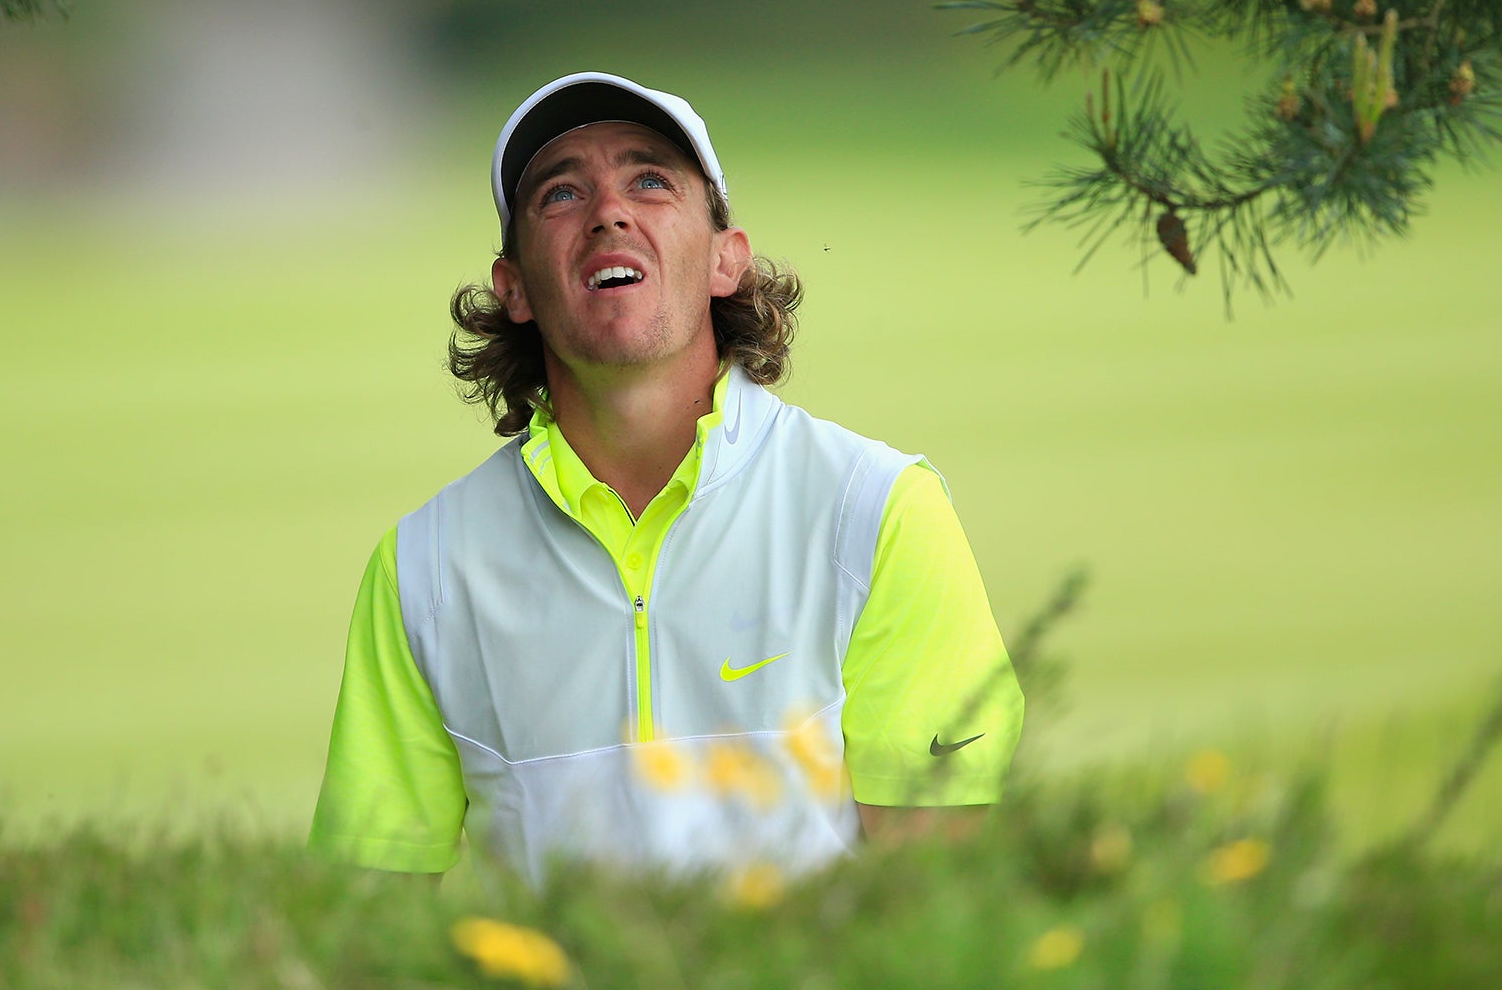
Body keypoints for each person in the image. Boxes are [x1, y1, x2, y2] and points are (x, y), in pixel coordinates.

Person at [309, 72, 1023, 881]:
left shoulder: (880, 511)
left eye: (650, 181)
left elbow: (938, 892)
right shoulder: (423, 570)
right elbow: (367, 910)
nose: (609, 211)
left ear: (727, 260)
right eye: (560, 194)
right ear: (513, 290)